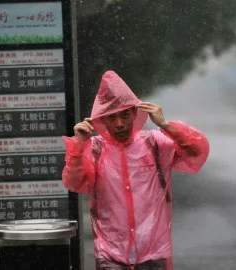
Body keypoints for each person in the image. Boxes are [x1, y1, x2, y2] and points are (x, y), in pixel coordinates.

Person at [62, 70, 209, 270]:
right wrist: (79, 144)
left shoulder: (155, 143)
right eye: (112, 117)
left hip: (154, 253)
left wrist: (166, 125)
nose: (120, 124)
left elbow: (197, 151)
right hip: (111, 255)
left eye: (124, 115)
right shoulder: (94, 149)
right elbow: (74, 181)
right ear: (102, 120)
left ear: (134, 113)